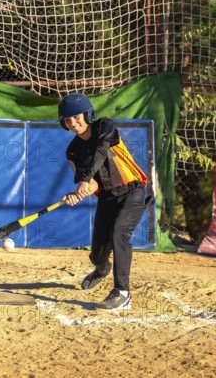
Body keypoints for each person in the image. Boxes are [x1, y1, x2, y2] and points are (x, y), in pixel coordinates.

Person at [58, 93, 148, 310]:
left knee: (120, 233)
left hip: (132, 191)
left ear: (87, 114)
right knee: (97, 254)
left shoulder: (105, 126)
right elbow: (93, 186)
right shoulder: (72, 151)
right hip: (107, 197)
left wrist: (84, 180)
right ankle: (101, 270)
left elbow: (100, 151)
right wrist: (78, 192)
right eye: (67, 120)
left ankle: (122, 293)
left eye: (76, 117)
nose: (73, 123)